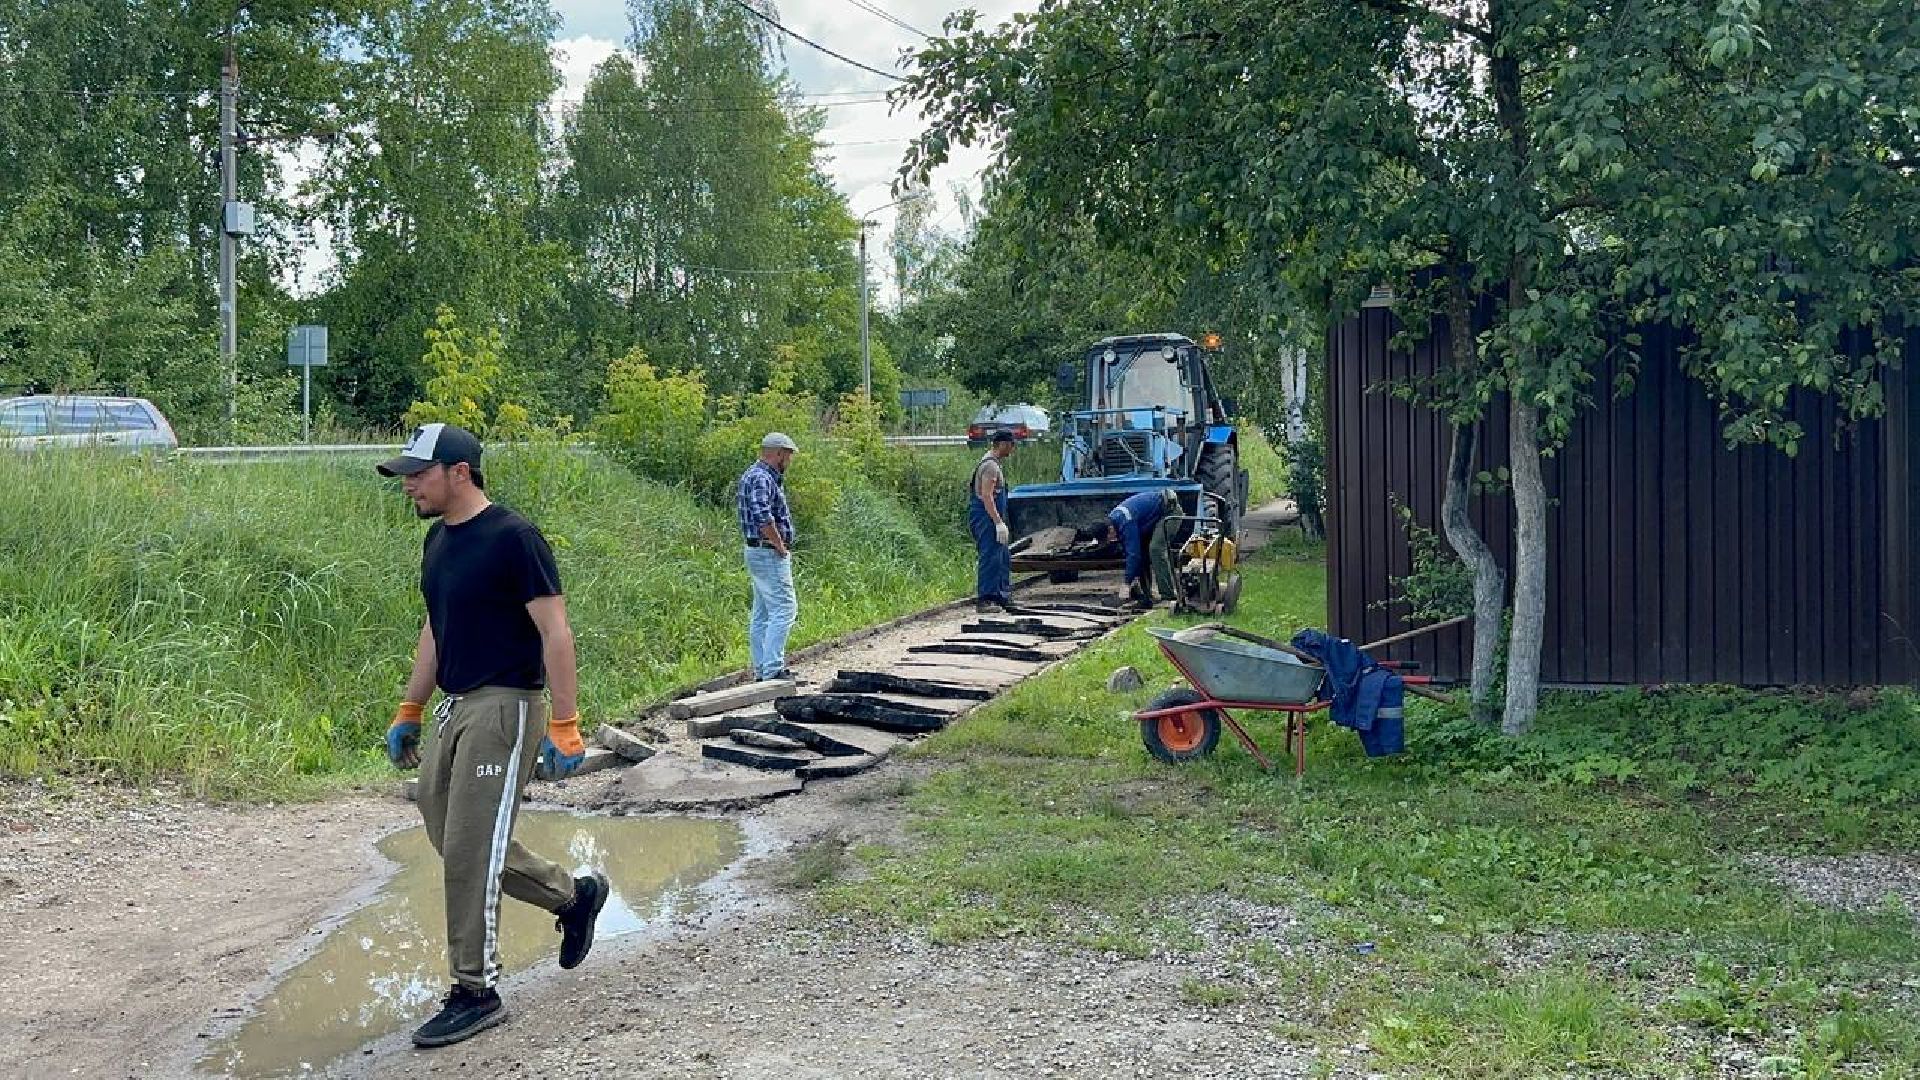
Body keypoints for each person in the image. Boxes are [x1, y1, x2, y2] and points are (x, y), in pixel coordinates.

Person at [378, 422, 608, 1050]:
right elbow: (436, 627)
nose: (408, 486)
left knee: (473, 847)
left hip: (507, 708)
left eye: (417, 474)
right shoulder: (437, 542)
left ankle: (474, 990)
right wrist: (411, 706)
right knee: (446, 829)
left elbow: (556, 633)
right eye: (405, 476)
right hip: (459, 706)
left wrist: (563, 723)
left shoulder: (514, 538)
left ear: (460, 472)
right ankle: (572, 896)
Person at [737, 431, 799, 680]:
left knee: (762, 613)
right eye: (789, 456)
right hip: (767, 551)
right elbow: (763, 516)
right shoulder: (762, 478)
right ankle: (772, 670)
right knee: (784, 608)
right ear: (779, 453)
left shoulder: (755, 475)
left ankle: (762, 669)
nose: (790, 462)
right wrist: (780, 546)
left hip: (757, 550)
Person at [1105, 487, 1183, 609]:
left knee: (1155, 549)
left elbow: (1133, 554)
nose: (1111, 541)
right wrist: (1133, 577)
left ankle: (1168, 597)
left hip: (1169, 512)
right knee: (1142, 551)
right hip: (1153, 518)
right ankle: (1147, 597)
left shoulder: (1125, 521)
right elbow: (1133, 552)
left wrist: (1126, 583)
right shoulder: (1113, 520)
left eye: (1109, 538)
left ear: (1110, 530)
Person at [970, 428, 1017, 613]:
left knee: (1001, 557)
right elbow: (987, 496)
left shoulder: (994, 464)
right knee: (990, 557)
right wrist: (997, 522)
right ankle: (985, 600)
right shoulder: (990, 466)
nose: (1013, 449)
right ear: (1003, 444)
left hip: (991, 516)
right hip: (985, 517)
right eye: (1012, 445)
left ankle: (1002, 596)